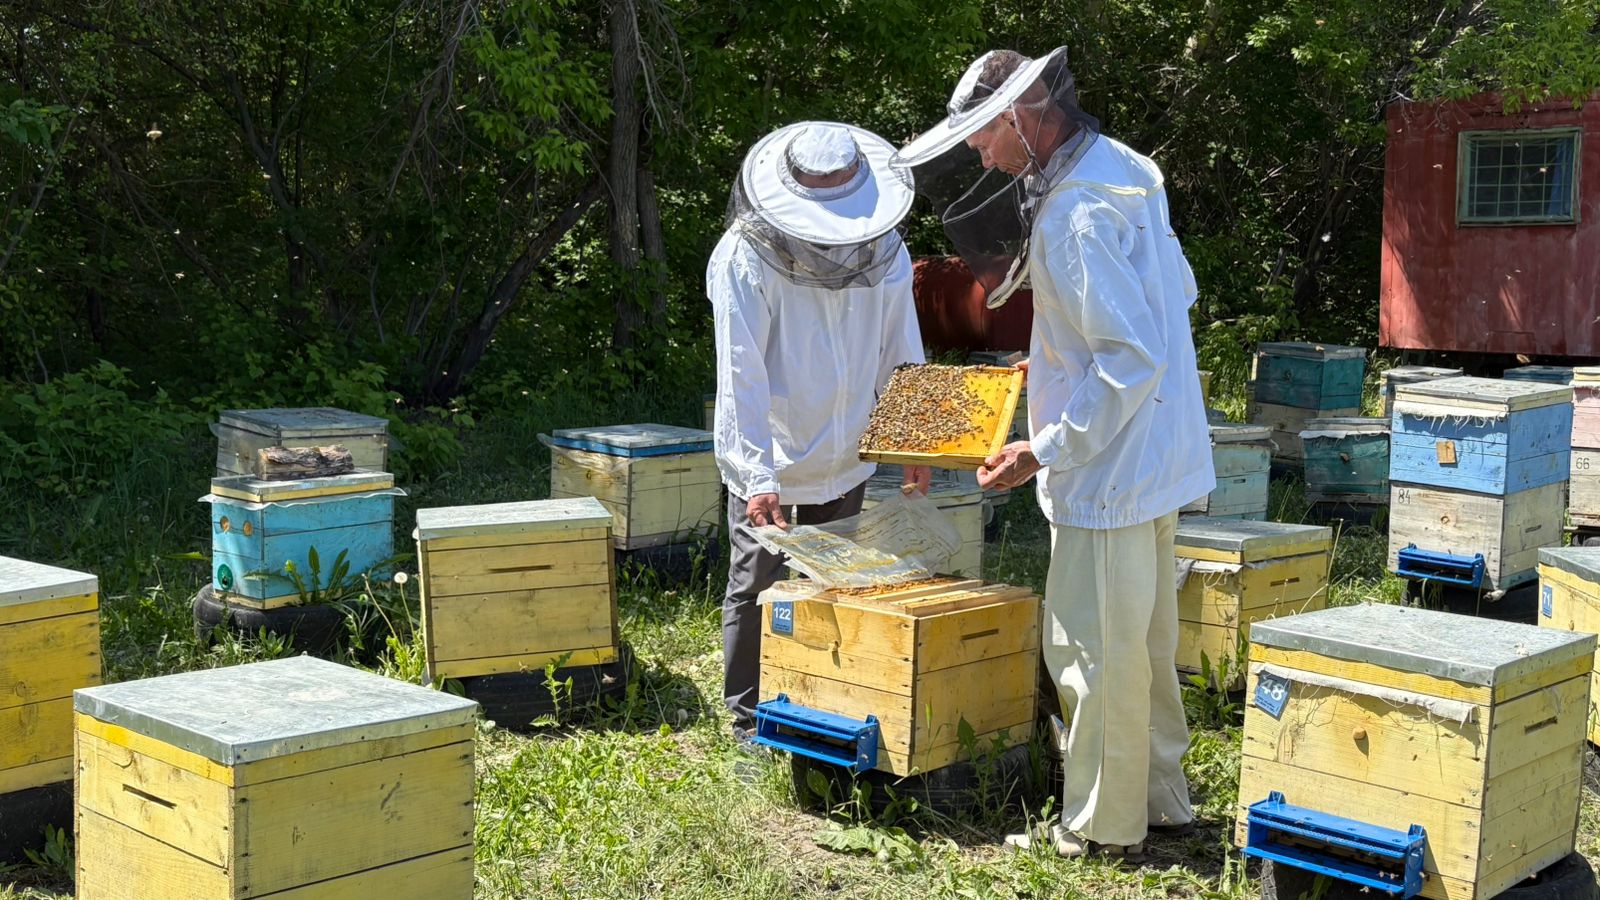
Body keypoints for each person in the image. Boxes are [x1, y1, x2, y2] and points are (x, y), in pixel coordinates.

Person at [893, 48, 1215, 858]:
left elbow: (1130, 355)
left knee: (1092, 648)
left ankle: (1101, 829)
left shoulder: (1073, 211)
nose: (977, 153)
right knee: (1144, 642)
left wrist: (1044, 446)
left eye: (982, 136)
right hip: (1158, 451)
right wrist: (1061, 353)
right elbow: (1172, 296)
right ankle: (1160, 800)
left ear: (1022, 117)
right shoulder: (1127, 167)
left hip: (1109, 465)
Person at [709, 121, 931, 746]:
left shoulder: (884, 248)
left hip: (846, 455)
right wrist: (756, 476)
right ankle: (746, 717)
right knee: (757, 582)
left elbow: (901, 352)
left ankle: (814, 703)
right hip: (773, 461)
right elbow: (739, 372)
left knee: (835, 583)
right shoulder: (744, 255)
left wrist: (909, 442)